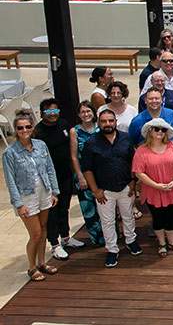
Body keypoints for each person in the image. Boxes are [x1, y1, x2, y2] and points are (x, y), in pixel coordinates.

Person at [3, 113, 61, 281]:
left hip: (44, 192)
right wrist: (19, 204)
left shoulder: (41, 146)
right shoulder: (10, 153)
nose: (24, 130)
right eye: (20, 128)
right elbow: (10, 181)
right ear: (15, 130)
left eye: (28, 126)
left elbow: (50, 168)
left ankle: (42, 262)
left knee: (43, 230)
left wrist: (54, 191)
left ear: (32, 127)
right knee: (35, 233)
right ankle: (31, 267)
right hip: (26, 197)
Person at [81, 109, 142, 268]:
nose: (107, 124)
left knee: (128, 216)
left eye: (110, 121)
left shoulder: (126, 138)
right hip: (104, 190)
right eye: (104, 121)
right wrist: (95, 190)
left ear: (115, 122)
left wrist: (133, 182)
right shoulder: (91, 143)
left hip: (125, 186)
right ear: (99, 123)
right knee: (107, 221)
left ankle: (131, 240)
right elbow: (87, 169)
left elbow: (134, 162)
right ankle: (112, 249)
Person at [33, 99, 81, 260]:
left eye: (55, 111)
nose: (53, 115)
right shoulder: (38, 132)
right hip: (48, 179)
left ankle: (66, 237)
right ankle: (54, 244)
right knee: (52, 212)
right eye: (49, 112)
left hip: (65, 174)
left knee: (64, 208)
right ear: (42, 113)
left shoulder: (64, 124)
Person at [132, 119, 173, 257]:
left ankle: (172, 242)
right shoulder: (141, 150)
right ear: (150, 131)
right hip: (153, 191)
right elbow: (139, 172)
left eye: (163, 130)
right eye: (156, 129)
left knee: (171, 217)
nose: (160, 132)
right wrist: (156, 185)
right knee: (158, 218)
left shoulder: (172, 145)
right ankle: (162, 243)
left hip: (172, 189)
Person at [69, 102, 105, 246]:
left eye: (88, 111)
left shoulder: (101, 127)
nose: (86, 114)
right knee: (89, 208)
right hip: (83, 174)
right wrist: (80, 175)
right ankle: (97, 238)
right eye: (82, 112)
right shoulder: (75, 131)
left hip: (101, 173)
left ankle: (111, 234)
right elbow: (73, 156)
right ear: (79, 115)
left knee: (105, 206)